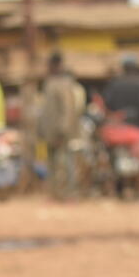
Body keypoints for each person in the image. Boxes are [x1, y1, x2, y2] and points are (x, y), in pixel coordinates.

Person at [36, 52, 85, 193]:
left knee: (66, 163)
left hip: (61, 133)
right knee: (52, 164)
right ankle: (55, 193)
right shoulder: (50, 83)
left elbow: (67, 110)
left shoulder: (63, 84)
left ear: (55, 65)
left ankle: (70, 193)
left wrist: (62, 130)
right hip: (49, 132)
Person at [102, 54, 139, 122]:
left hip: (117, 121)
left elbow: (107, 102)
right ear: (135, 67)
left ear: (123, 67)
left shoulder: (115, 82)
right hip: (134, 123)